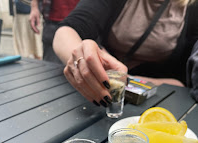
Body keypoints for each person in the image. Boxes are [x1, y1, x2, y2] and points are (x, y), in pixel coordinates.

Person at [53, 0, 198, 107]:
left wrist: (129, 80)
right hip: (95, 94)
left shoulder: (192, 9)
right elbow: (66, 31)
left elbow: (183, 81)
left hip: (157, 100)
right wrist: (83, 61)